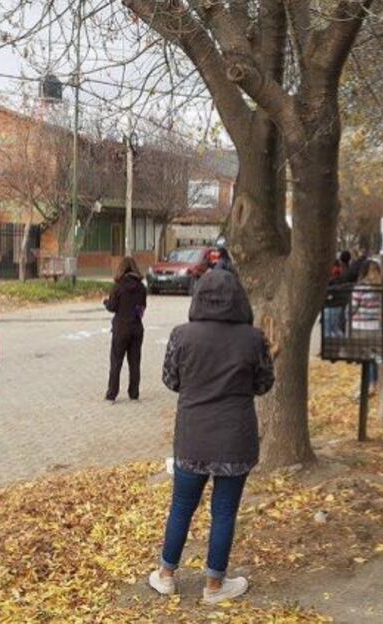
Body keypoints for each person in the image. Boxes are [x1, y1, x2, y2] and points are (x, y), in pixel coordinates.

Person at [150, 268, 274, 604]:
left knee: (181, 506)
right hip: (235, 438)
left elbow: (171, 381)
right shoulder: (254, 338)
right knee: (224, 512)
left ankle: (166, 576)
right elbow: (264, 385)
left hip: (192, 436)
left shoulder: (181, 335)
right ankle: (215, 586)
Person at [103, 256, 147, 402]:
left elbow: (112, 307)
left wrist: (106, 302)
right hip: (136, 328)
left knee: (116, 361)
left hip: (121, 328)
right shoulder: (141, 288)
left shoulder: (118, 286)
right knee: (135, 362)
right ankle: (134, 393)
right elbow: (141, 309)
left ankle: (112, 394)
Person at [350, 259, 382, 394]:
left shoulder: (360, 287)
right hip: (375, 326)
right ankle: (374, 383)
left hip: (361, 325)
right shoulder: (380, 287)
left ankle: (367, 385)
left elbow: (353, 307)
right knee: (374, 357)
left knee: (365, 358)